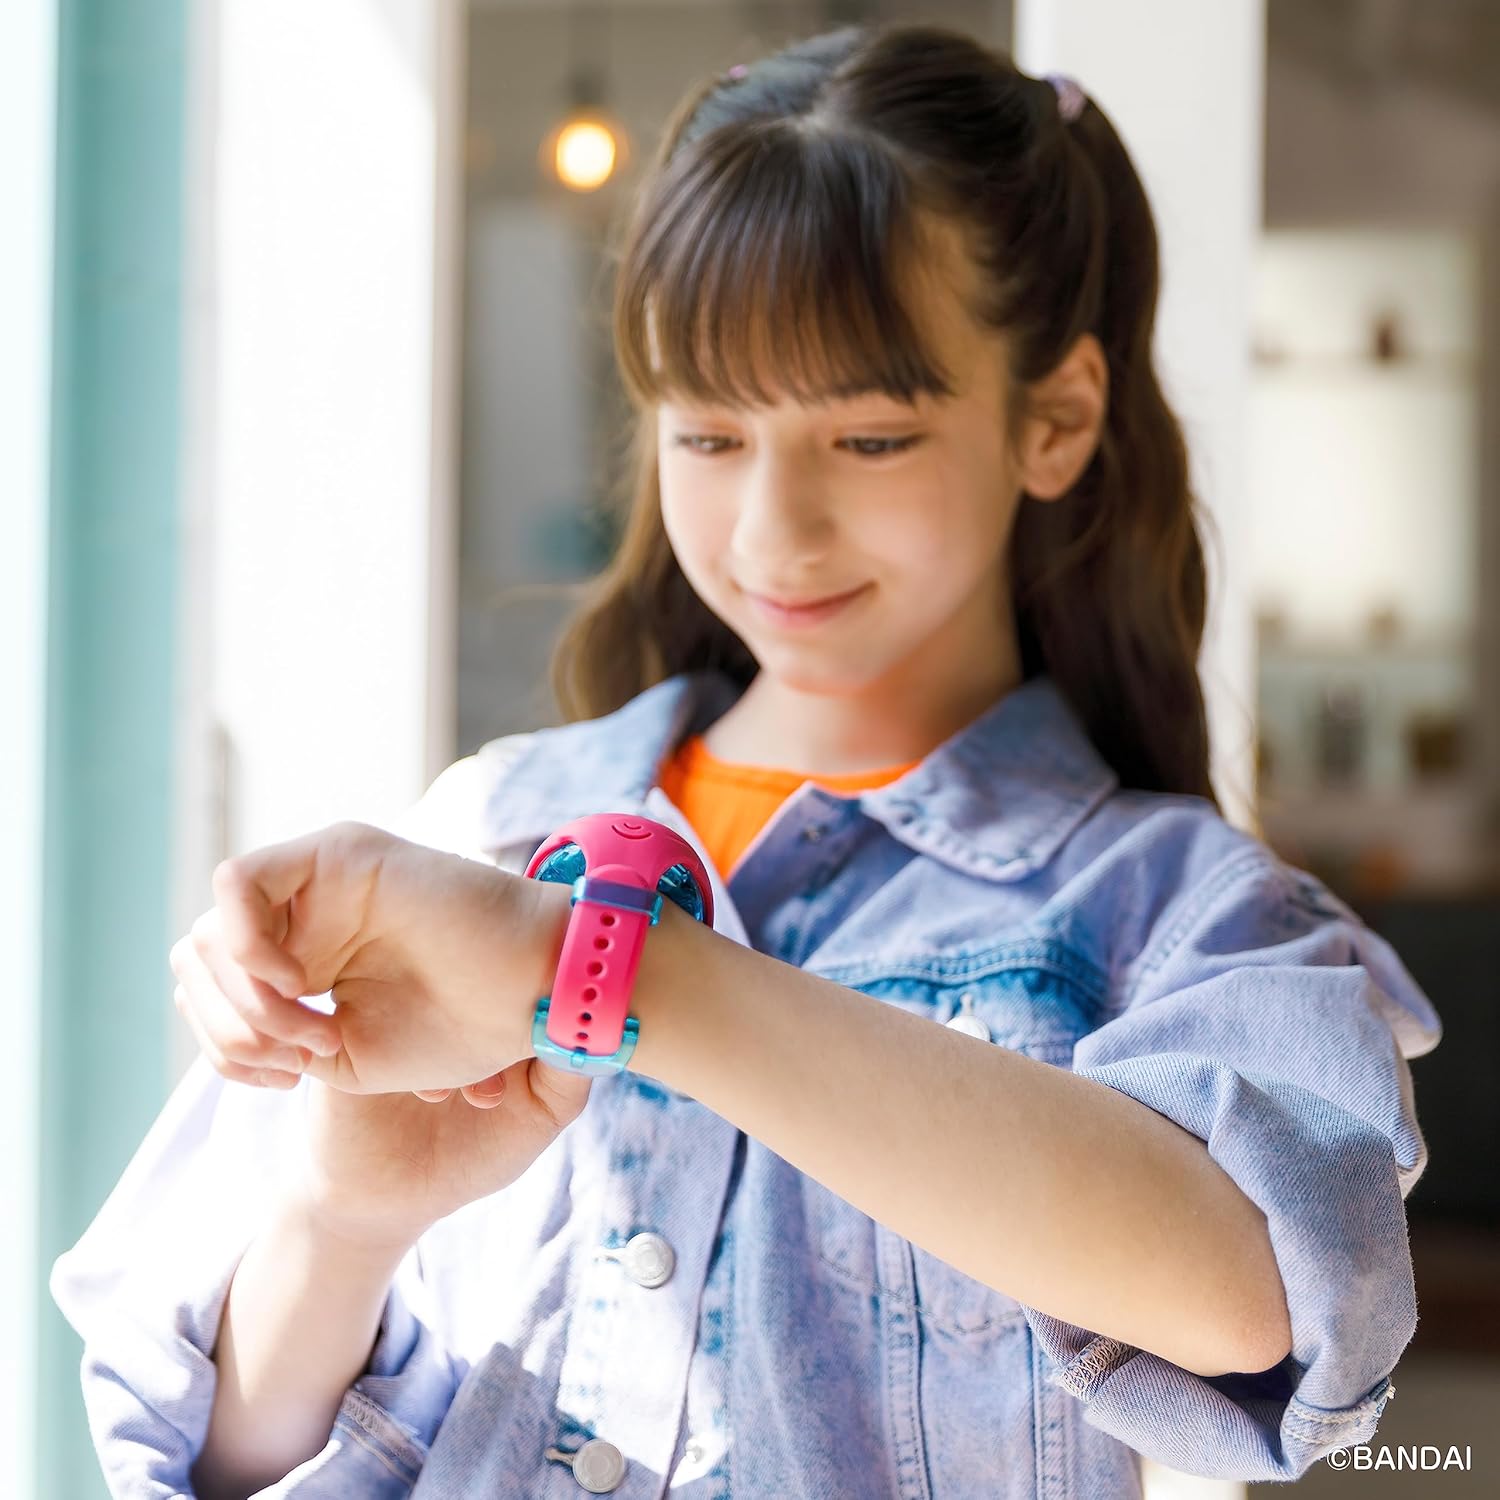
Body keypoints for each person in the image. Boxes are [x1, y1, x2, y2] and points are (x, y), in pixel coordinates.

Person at [51, 20, 1442, 1499]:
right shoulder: (486, 828)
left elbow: (1264, 1301)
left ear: (1055, 419)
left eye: (871, 439)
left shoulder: (1178, 915)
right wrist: (342, 1221)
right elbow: (208, 1461)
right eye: (709, 436)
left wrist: (596, 972)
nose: (776, 532)